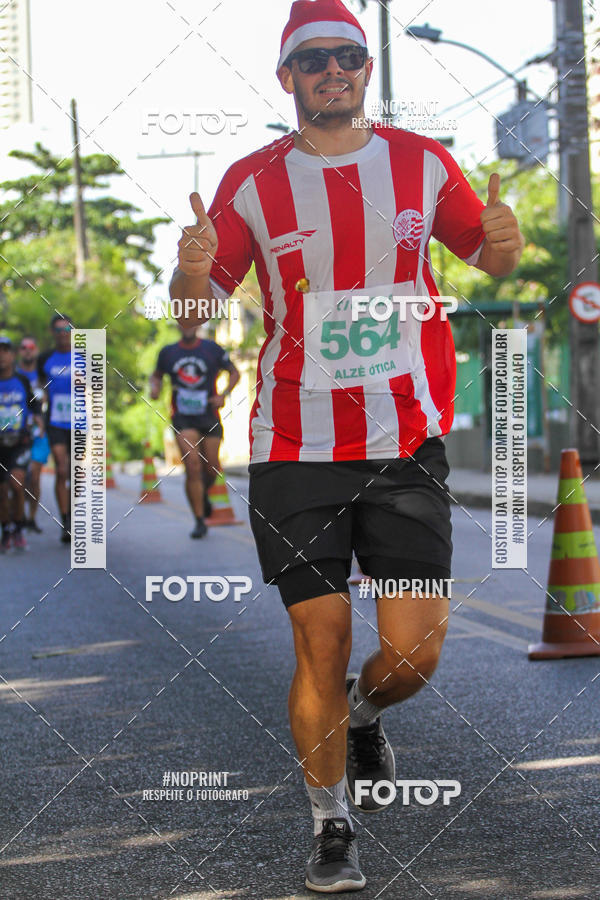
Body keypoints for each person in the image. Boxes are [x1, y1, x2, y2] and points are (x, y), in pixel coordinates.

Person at [169, 0, 525, 891]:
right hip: (295, 448)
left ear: (368, 70)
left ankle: (367, 715)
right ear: (286, 78)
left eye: (350, 56)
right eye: (315, 59)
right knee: (318, 643)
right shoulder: (252, 183)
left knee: (413, 654)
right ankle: (331, 827)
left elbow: (488, 260)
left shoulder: (421, 162)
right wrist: (188, 268)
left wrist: (508, 248)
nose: (335, 70)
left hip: (405, 442)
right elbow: (196, 310)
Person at [150, 324, 240, 538]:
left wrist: (223, 395)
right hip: (183, 417)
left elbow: (234, 372)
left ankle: (204, 495)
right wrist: (155, 388)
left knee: (211, 467)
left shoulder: (212, 349)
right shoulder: (168, 352)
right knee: (192, 465)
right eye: (183, 320)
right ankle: (199, 520)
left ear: (197, 324)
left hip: (209, 414)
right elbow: (156, 375)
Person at [0, 336, 43, 552]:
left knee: (17, 486)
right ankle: (6, 529)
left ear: (12, 355)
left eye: (5, 351)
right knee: (1, 491)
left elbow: (34, 406)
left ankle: (18, 528)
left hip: (19, 442)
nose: (1, 356)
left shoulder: (22, 381)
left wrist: (38, 419)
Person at [37, 314, 73, 543]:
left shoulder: (85, 357)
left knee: (75, 474)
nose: (62, 335)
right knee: (61, 469)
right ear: (53, 333)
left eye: (66, 330)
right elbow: (40, 390)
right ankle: (65, 520)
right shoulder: (45, 359)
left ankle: (72, 511)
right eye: (58, 330)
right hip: (55, 421)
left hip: (79, 421)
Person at [17, 335, 50, 533]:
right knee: (19, 479)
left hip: (39, 433)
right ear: (19, 352)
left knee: (34, 477)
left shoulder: (43, 376)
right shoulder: (13, 374)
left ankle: (31, 517)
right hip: (18, 432)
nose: (27, 350)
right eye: (23, 347)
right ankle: (17, 517)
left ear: (36, 350)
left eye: (31, 347)